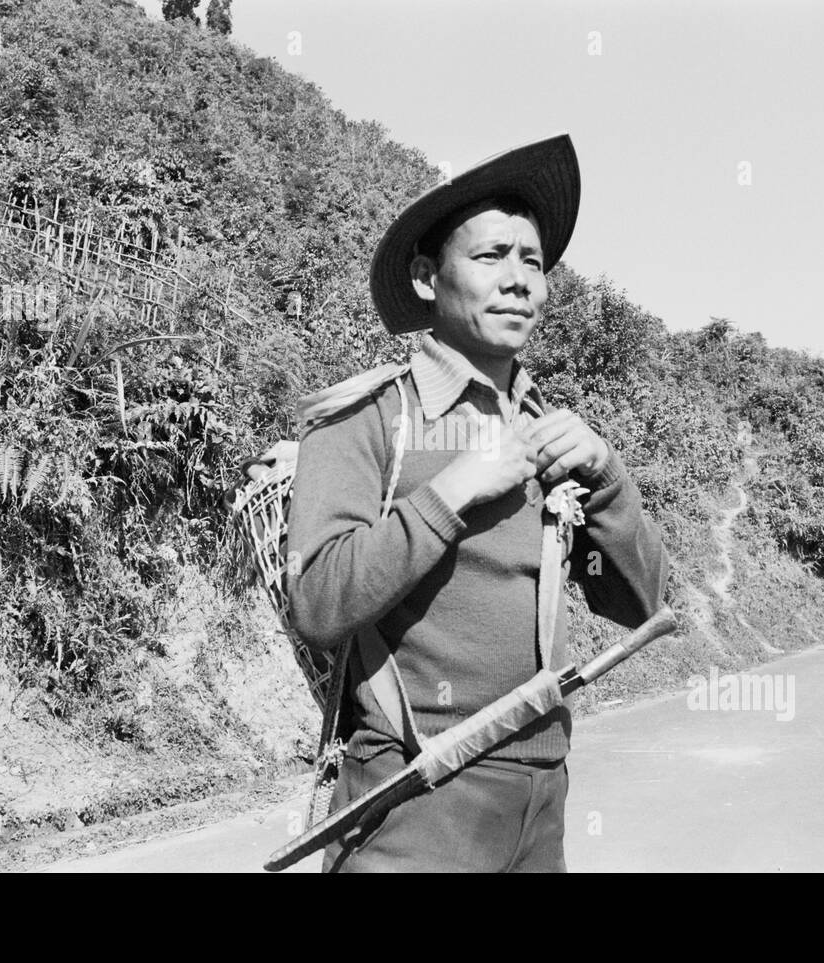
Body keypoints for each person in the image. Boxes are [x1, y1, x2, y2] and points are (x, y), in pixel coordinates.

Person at [285, 133, 669, 872]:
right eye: (491, 257)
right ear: (428, 277)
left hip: (542, 801)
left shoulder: (550, 432)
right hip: (416, 800)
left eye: (532, 261)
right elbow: (320, 599)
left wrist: (608, 475)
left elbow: (643, 606)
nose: (519, 279)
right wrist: (453, 490)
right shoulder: (369, 419)